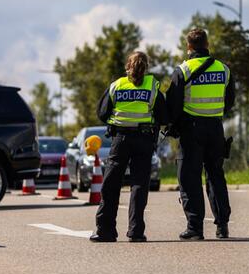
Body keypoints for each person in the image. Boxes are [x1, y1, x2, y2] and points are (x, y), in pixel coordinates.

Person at [91, 51, 166, 243]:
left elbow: (101, 112)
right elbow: (164, 114)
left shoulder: (117, 85)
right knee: (139, 185)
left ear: (127, 67)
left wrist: (116, 120)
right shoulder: (153, 86)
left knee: (111, 184)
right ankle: (136, 231)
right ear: (146, 67)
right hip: (144, 139)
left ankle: (105, 231)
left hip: (121, 139)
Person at [167, 28, 234, 240]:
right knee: (215, 175)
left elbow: (173, 105)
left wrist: (172, 125)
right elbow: (229, 100)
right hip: (215, 128)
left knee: (189, 178)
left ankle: (195, 227)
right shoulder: (224, 69)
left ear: (189, 47)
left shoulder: (183, 70)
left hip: (191, 129)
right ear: (207, 44)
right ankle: (222, 226)